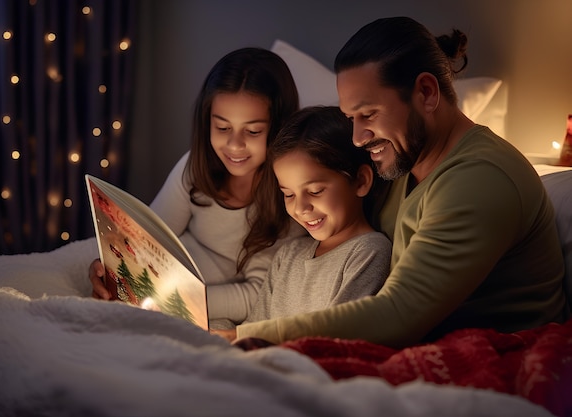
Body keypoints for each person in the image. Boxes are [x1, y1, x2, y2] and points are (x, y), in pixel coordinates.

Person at [225, 17, 567, 347]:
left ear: (427, 93)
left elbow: (398, 314)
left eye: (369, 114)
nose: (357, 137)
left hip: (505, 351)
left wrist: (250, 337)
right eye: (350, 119)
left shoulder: (480, 179)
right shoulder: (402, 162)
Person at [89, 47, 301, 329]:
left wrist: (174, 299)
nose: (235, 145)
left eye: (252, 132)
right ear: (207, 122)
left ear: (279, 129)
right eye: (222, 128)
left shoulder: (288, 196)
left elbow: (256, 294)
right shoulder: (195, 167)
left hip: (199, 301)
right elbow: (149, 235)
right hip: (162, 282)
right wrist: (109, 269)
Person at [211, 106, 392, 340]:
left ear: (360, 181)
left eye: (315, 191)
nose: (300, 208)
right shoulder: (288, 256)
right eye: (288, 194)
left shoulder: (368, 251)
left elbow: (337, 335)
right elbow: (253, 329)